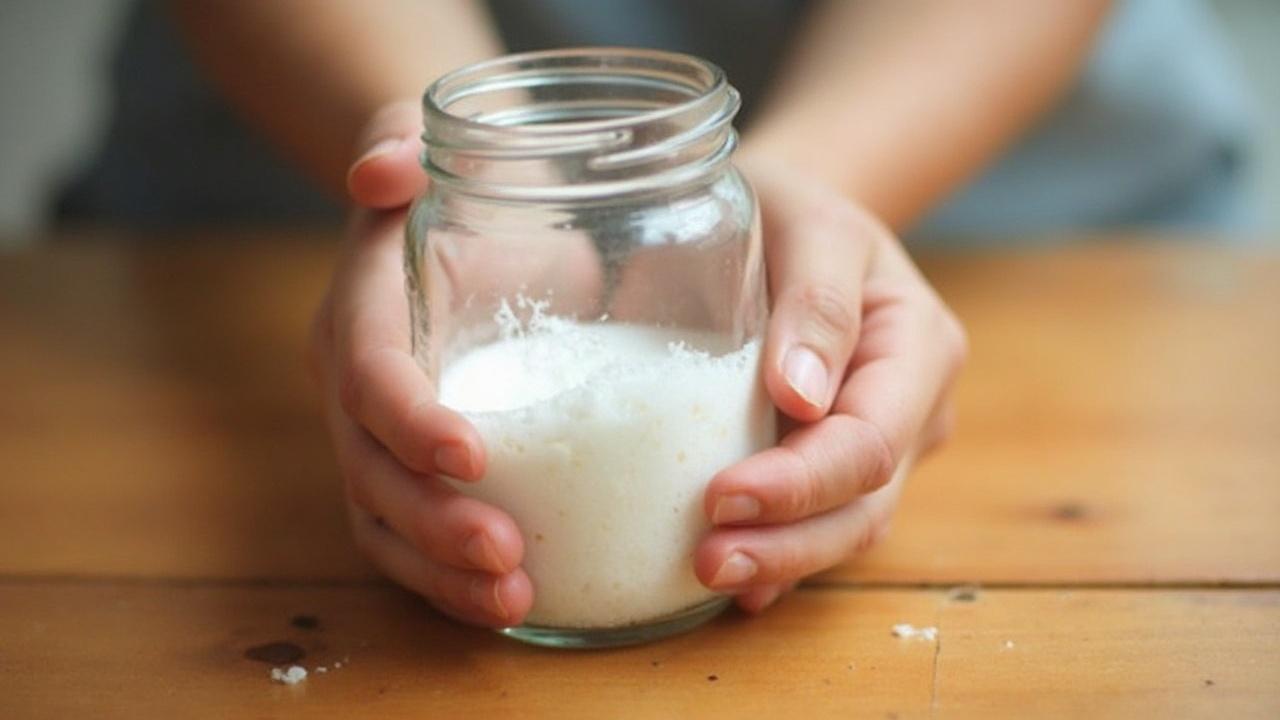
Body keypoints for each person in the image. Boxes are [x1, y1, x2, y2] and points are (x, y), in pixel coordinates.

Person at [60, 0, 1251, 626]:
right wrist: (445, 163)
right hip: (260, 177)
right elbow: (447, 165)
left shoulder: (714, 215)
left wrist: (821, 190)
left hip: (1044, 201)